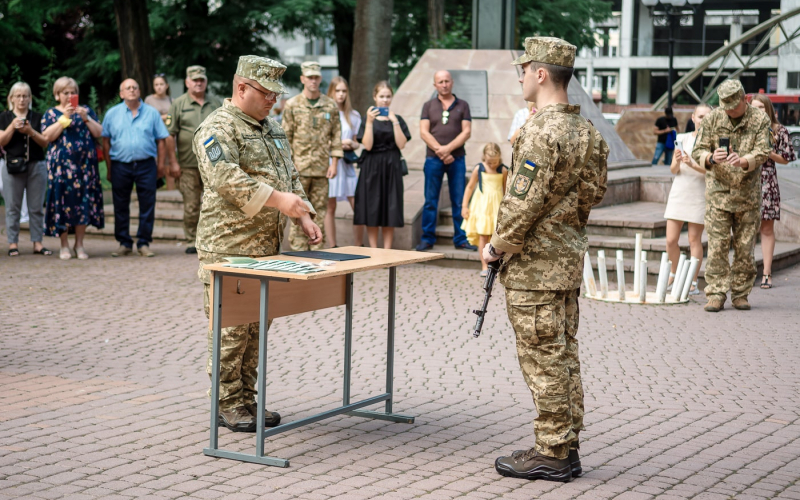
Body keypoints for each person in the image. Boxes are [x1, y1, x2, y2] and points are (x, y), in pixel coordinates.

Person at [483, 36, 608, 482]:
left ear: (540, 73)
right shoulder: (587, 132)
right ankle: (567, 444)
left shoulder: (540, 131)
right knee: (563, 353)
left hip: (535, 267)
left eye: (523, 69)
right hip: (567, 260)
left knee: (543, 358)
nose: (519, 76)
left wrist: (495, 246)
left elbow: (520, 205)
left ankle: (552, 451)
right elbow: (593, 194)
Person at [193, 55, 321, 432]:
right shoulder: (217, 127)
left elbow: (290, 175)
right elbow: (224, 177)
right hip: (227, 249)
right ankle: (227, 403)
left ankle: (247, 399)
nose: (273, 101)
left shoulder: (272, 128)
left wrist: (303, 213)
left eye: (276, 95)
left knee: (254, 329)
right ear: (241, 88)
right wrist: (280, 201)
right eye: (266, 93)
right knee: (231, 331)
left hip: (264, 249)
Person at [692, 80, 772, 312]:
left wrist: (745, 160)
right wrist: (710, 158)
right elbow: (698, 150)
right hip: (718, 195)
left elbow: (764, 150)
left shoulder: (759, 120)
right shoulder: (713, 118)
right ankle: (716, 293)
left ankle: (740, 293)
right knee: (717, 246)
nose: (728, 110)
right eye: (725, 106)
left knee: (745, 248)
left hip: (747, 196)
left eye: (733, 106)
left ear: (744, 100)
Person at [102, 78, 170, 258]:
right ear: (121, 93)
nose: (132, 90)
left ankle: (143, 242)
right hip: (120, 165)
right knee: (120, 205)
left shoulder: (152, 113)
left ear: (139, 91)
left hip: (146, 164)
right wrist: (109, 167)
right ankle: (124, 242)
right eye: (128, 88)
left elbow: (161, 140)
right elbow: (105, 142)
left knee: (147, 203)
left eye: (135, 87)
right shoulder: (112, 114)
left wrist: (160, 165)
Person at [41, 77, 104, 260]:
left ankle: (79, 244)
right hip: (61, 169)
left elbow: (99, 132)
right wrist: (65, 118)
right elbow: (47, 137)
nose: (69, 96)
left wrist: (86, 118)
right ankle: (64, 245)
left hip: (84, 167)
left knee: (83, 203)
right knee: (63, 203)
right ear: (57, 95)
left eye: (72, 92)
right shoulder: (52, 114)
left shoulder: (86, 111)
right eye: (65, 93)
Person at [282, 61, 343, 250]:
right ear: (302, 79)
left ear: (320, 78)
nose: (313, 81)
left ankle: (317, 250)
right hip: (298, 170)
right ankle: (299, 250)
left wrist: (334, 163)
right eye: (309, 77)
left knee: (319, 211)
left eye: (316, 77)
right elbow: (285, 139)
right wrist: (289, 167)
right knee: (297, 211)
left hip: (321, 169)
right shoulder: (292, 105)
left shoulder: (330, 105)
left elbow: (336, 136)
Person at [165, 66, 223, 254]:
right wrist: (173, 162)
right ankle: (192, 239)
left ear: (205, 82)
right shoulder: (178, 104)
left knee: (213, 204)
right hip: (188, 164)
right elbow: (169, 135)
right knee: (191, 205)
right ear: (187, 82)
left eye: (201, 80)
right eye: (194, 80)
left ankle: (211, 239)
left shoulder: (215, 103)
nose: (198, 83)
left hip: (213, 164)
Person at [416, 70, 476, 252]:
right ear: (435, 85)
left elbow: (467, 131)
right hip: (433, 160)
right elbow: (423, 132)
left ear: (452, 83)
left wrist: (447, 149)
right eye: (440, 81)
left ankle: (461, 239)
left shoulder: (463, 105)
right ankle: (427, 239)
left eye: (447, 81)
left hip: (456, 159)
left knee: (458, 200)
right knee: (430, 200)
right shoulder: (428, 106)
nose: (444, 84)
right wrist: (440, 151)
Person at [353, 81, 411, 249]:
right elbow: (368, 145)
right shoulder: (367, 119)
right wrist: (370, 122)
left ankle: (387, 250)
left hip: (392, 165)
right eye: (381, 96)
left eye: (388, 96)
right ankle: (373, 249)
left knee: (390, 206)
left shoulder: (397, 119)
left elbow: (401, 144)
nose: (385, 100)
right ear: (375, 97)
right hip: (372, 166)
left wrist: (394, 122)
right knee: (372, 206)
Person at [663, 104, 711, 295]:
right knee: (670, 240)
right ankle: (673, 274)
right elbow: (674, 170)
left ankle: (692, 281)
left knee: (694, 240)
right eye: (700, 116)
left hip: (699, 192)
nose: (703, 120)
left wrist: (692, 163)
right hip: (679, 191)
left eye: (707, 117)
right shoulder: (681, 138)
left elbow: (712, 171)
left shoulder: (712, 143)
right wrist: (676, 160)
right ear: (693, 118)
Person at [750, 94, 796, 289]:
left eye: (760, 107)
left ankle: (767, 273)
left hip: (767, 180)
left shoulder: (779, 130)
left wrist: (767, 152)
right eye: (753, 107)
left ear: (768, 109)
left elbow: (786, 158)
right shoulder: (745, 129)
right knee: (747, 229)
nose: (756, 110)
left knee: (766, 229)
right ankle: (746, 273)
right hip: (747, 180)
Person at [0, 82, 50, 257]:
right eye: (18, 96)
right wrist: (12, 127)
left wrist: (30, 131)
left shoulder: (38, 117)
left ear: (30, 98)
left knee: (36, 207)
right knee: (12, 207)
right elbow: (2, 141)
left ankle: (38, 243)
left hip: (36, 165)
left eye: (25, 96)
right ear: (12, 98)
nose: (22, 99)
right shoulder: (4, 117)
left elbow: (45, 142)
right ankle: (13, 243)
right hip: (12, 166)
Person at [325, 76, 364, 247]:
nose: (340, 95)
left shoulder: (353, 115)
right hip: (330, 162)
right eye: (337, 91)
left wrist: (350, 144)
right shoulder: (325, 112)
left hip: (346, 163)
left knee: (358, 204)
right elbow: (320, 140)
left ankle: (358, 244)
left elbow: (356, 142)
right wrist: (338, 144)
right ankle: (332, 245)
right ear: (331, 92)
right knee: (330, 206)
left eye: (344, 91)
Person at [460, 143, 507, 276]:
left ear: (500, 158)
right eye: (489, 162)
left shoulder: (503, 170)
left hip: (496, 206)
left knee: (496, 238)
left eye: (495, 162)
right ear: (484, 158)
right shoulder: (479, 169)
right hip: (482, 206)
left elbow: (506, 190)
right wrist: (464, 206)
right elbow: (469, 187)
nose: (492, 165)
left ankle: (495, 265)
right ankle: (484, 266)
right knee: (483, 236)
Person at [145, 73, 175, 190]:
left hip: (168, 136)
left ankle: (171, 192)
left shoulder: (172, 100)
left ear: (166, 85)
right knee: (155, 163)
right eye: (156, 84)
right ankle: (153, 192)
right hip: (153, 137)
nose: (159, 87)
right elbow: (147, 117)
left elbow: (174, 117)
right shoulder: (149, 100)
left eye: (161, 84)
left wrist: (162, 116)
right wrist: (164, 116)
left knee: (169, 164)